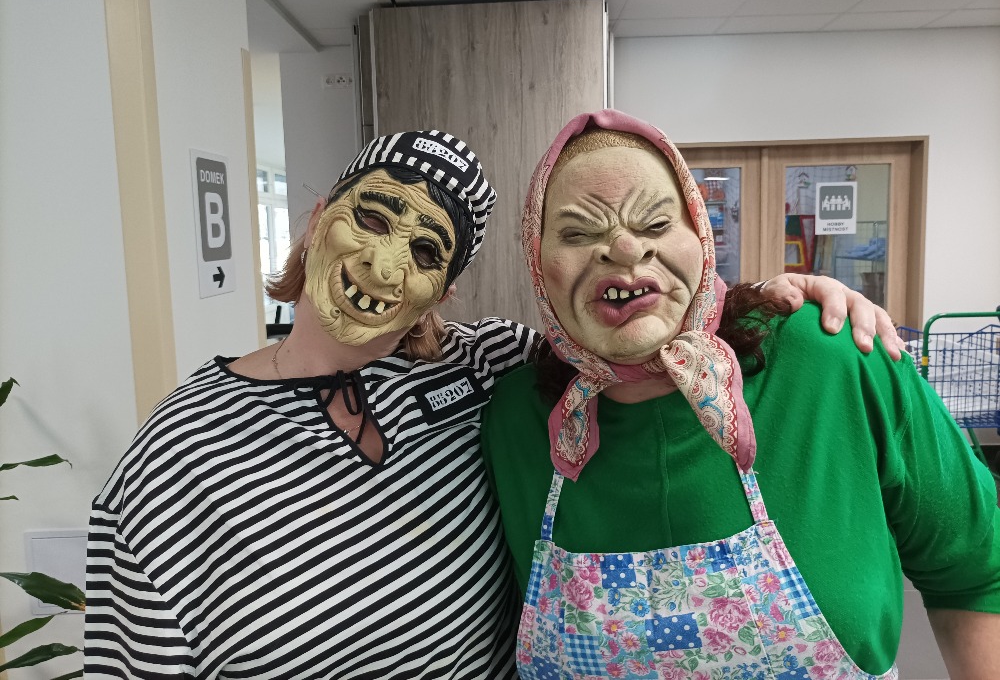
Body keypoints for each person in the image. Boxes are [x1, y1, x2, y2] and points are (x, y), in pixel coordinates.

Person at [85, 128, 903, 679]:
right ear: (316, 221)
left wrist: (774, 302)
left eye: (426, 251)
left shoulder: (491, 369)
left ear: (443, 291)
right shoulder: (176, 454)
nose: (382, 265)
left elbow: (627, 327)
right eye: (370, 218)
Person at [480, 109, 1000, 680]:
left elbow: (978, 574)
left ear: (699, 235)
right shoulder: (514, 417)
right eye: (578, 233)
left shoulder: (834, 359)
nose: (625, 249)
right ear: (536, 260)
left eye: (656, 223)